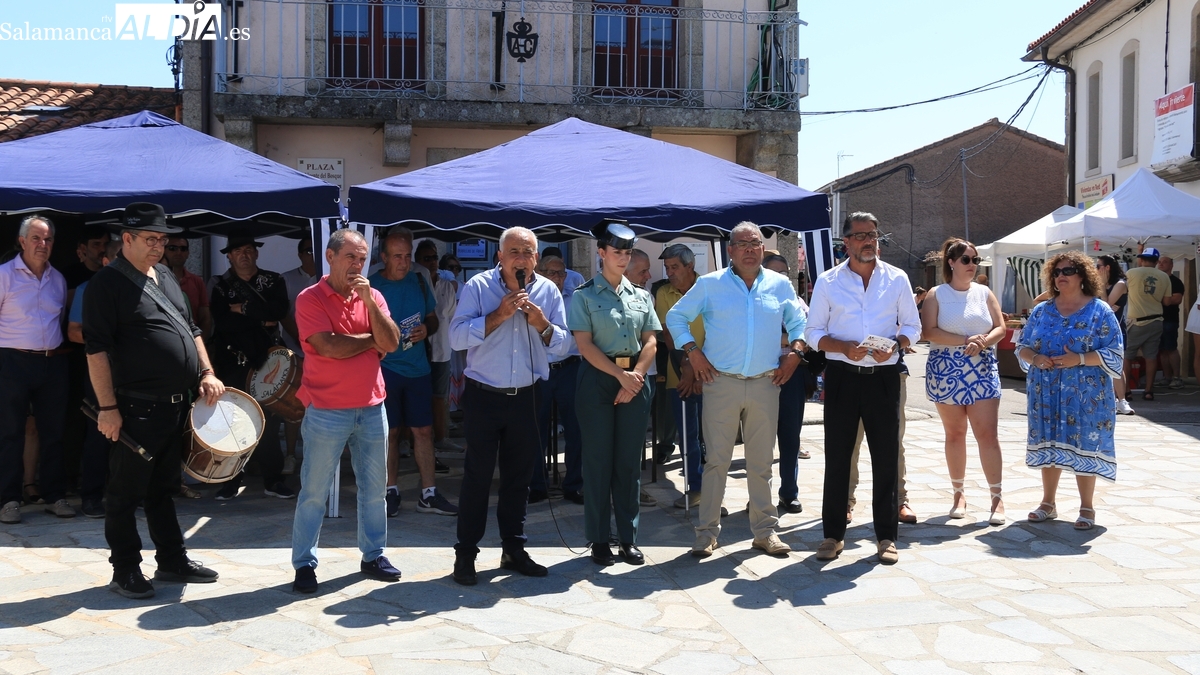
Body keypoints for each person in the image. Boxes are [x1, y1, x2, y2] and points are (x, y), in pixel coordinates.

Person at [83, 203, 223, 598]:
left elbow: (192, 328)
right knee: (124, 493)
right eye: (150, 239)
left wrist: (207, 371)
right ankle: (125, 568)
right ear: (127, 239)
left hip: (175, 405)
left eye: (162, 239)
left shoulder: (164, 275)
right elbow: (96, 350)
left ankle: (172, 560)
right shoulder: (106, 285)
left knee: (163, 489)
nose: (158, 246)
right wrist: (108, 409)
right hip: (135, 407)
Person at [667, 222, 806, 559]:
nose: (749, 250)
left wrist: (796, 352)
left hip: (765, 383)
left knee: (761, 463)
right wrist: (693, 352)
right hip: (721, 383)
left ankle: (765, 532)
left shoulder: (779, 284)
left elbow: (800, 321)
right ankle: (706, 533)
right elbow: (675, 317)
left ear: (763, 248)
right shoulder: (710, 284)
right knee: (717, 462)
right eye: (742, 244)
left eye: (755, 243)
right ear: (730, 250)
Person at [448, 227, 568, 585]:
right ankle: (466, 554)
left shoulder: (548, 291)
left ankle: (513, 549)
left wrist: (542, 324)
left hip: (527, 397)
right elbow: (455, 337)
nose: (521, 258)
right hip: (484, 396)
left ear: (536, 258)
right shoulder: (478, 287)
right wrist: (498, 315)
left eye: (528, 252)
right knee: (478, 478)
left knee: (519, 479)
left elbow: (564, 345)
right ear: (499, 256)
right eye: (514, 251)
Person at [290, 228, 404, 593]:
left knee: (374, 490)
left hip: (372, 407)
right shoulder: (310, 298)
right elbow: (328, 346)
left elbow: (392, 342)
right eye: (350, 257)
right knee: (314, 491)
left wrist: (369, 304)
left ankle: (374, 555)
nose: (357, 265)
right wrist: (371, 341)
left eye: (362, 258)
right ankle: (304, 564)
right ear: (330, 257)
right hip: (326, 409)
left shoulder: (374, 296)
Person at [805, 212, 921, 565]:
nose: (869, 241)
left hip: (884, 378)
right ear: (846, 243)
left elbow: (913, 326)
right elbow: (813, 333)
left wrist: (897, 344)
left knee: (886, 458)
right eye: (860, 235)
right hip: (842, 376)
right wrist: (842, 347)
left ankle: (886, 537)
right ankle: (832, 535)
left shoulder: (897, 278)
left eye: (873, 234)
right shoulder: (828, 281)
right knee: (839, 458)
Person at [571, 221, 660, 566]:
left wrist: (635, 377)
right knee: (598, 462)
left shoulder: (642, 296)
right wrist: (620, 376)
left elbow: (651, 341)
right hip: (599, 379)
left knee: (628, 463)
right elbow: (584, 345)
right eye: (617, 252)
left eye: (627, 253)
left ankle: (627, 538)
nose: (623, 258)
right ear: (602, 253)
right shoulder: (584, 295)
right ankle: (598, 539)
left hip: (634, 379)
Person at [1018, 251, 1122, 530]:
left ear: (1083, 276)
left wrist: (1080, 358)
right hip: (1046, 391)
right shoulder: (1041, 311)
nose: (1060, 276)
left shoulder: (1100, 311)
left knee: (1084, 444)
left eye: (1067, 271)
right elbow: (1022, 346)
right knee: (1050, 440)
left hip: (1087, 394)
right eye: (1056, 272)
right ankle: (1048, 503)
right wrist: (1036, 358)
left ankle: (1087, 507)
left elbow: (1115, 352)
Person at [368, 229, 458, 518]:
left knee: (424, 431)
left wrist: (425, 329)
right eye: (397, 256)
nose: (404, 262)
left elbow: (433, 319)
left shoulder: (419, 280)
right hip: (385, 370)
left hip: (418, 369)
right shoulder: (371, 286)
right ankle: (390, 491)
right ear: (384, 258)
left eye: (407, 256)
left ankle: (429, 493)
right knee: (391, 433)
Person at [921, 238, 1006, 525]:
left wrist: (982, 342)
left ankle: (996, 498)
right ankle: (958, 494)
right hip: (946, 369)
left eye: (975, 260)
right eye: (966, 260)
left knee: (987, 435)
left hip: (981, 368)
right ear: (952, 262)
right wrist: (965, 340)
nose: (972, 265)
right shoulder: (936, 294)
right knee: (955, 434)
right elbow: (929, 331)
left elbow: (1000, 328)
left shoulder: (984, 292)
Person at [0, 214, 74, 524]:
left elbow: (60, 320)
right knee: (10, 432)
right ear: (22, 241)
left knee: (53, 432)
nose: (42, 244)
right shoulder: (4, 275)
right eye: (36, 238)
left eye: (47, 239)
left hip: (51, 361)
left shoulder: (58, 279)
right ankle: (8, 500)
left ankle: (54, 496)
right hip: (12, 360)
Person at [209, 234, 294, 500]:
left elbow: (278, 312)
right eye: (238, 251)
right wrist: (260, 318)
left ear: (256, 253)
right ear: (229, 256)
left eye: (248, 249)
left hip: (268, 362)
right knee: (233, 422)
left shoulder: (274, 280)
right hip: (233, 362)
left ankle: (273, 480)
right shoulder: (220, 286)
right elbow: (223, 322)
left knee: (270, 421)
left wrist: (242, 308)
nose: (244, 255)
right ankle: (230, 480)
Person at [67, 236, 123, 517]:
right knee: (99, 433)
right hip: (100, 368)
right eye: (120, 257)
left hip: (133, 371)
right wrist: (107, 341)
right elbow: (73, 332)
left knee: (130, 433)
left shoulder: (144, 289)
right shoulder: (87, 289)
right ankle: (91, 496)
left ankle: (126, 494)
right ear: (106, 261)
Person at [529, 255, 584, 505]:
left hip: (569, 368)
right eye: (552, 273)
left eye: (561, 273)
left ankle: (574, 485)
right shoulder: (532, 299)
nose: (558, 278)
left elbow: (580, 338)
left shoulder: (575, 299)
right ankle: (536, 485)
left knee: (576, 428)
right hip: (539, 370)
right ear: (540, 273)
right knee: (535, 429)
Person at [656, 244, 705, 509]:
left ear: (690, 266)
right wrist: (687, 368)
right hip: (679, 374)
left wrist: (698, 371)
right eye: (667, 268)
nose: (670, 273)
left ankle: (713, 491)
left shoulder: (708, 289)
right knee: (688, 436)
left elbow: (718, 332)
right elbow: (668, 335)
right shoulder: (665, 293)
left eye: (674, 267)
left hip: (711, 373)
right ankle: (695, 488)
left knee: (712, 436)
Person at [762, 253, 809, 515]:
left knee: (790, 437)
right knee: (760, 440)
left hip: (792, 376)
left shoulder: (797, 302)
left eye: (784, 272)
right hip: (760, 376)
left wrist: (787, 339)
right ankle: (759, 496)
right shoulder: (755, 301)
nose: (780, 277)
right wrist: (788, 338)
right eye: (774, 272)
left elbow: (808, 335)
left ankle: (789, 493)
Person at [416, 239, 463, 455]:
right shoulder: (413, 284)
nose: (432, 262)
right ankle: (410, 441)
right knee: (416, 398)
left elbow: (451, 317)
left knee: (440, 397)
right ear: (418, 261)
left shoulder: (447, 287)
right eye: (427, 258)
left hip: (442, 350)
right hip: (417, 351)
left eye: (434, 257)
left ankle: (441, 438)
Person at [280, 236, 319, 475]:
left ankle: (316, 457)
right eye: (308, 251)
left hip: (322, 355)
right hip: (294, 352)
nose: (312, 255)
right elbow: (283, 313)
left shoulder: (329, 277)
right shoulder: (286, 279)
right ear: (300, 254)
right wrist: (300, 339)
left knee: (320, 407)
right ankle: (291, 455)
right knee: (293, 407)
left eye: (316, 250)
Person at [1122, 248, 1170, 402]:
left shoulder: (1131, 273)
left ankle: (1126, 391)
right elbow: (1167, 301)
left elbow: (1123, 290)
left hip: (1137, 321)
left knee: (1127, 356)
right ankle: (1149, 391)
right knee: (1151, 357)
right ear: (1156, 262)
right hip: (1156, 321)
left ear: (1142, 259)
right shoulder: (1164, 276)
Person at [1096, 256, 1133, 415]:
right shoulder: (1098, 284)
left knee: (1116, 364)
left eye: (1098, 266)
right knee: (1098, 363)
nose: (1096, 269)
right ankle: (1106, 399)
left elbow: (1105, 306)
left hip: (1115, 329)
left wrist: (1102, 288)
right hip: (1097, 330)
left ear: (1107, 268)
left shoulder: (1120, 284)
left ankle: (1122, 400)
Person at [163, 236, 213, 337]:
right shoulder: (153, 279)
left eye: (183, 249)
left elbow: (205, 318)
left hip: (192, 338)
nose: (178, 252)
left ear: (188, 253)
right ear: (163, 250)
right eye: (172, 248)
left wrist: (200, 343)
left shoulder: (197, 281)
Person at [1155, 256, 1186, 390]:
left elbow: (1177, 299)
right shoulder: (1156, 280)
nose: (1161, 264)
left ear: (1171, 265)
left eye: (1165, 262)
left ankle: (1177, 378)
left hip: (1170, 320)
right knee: (1162, 350)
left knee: (1171, 348)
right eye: (1159, 262)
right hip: (1156, 319)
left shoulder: (1176, 282)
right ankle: (1167, 377)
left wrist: (1158, 299)